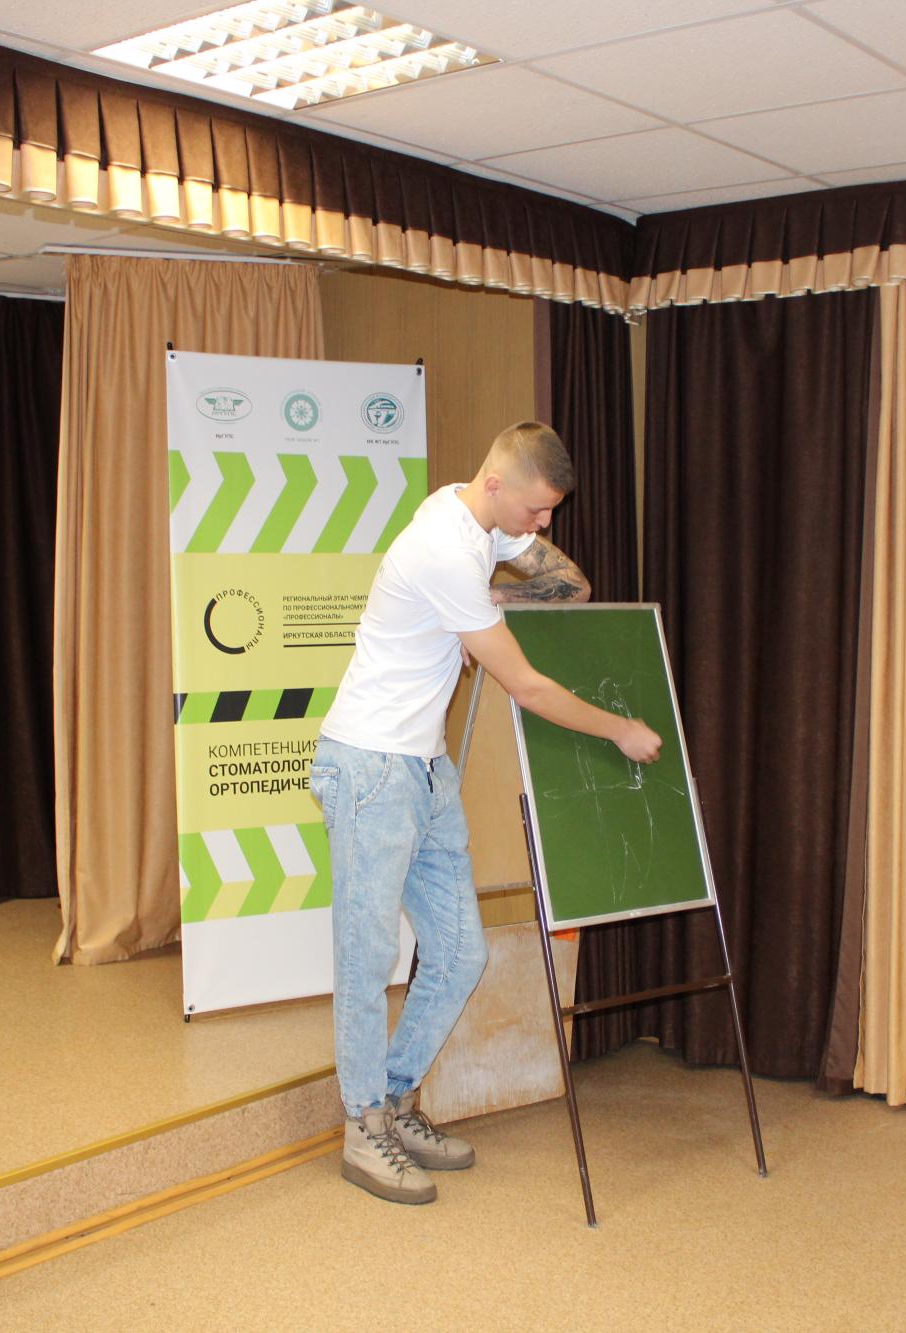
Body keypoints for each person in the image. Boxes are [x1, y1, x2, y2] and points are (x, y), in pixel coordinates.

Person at [309, 421, 663, 1205]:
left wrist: (490, 598)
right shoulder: (443, 544)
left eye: (550, 512)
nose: (544, 525)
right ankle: (363, 1126)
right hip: (369, 766)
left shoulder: (478, 525)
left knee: (460, 954)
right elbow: (528, 688)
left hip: (424, 768)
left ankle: (394, 1097)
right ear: (497, 483)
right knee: (367, 958)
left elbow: (572, 585)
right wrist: (620, 730)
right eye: (538, 509)